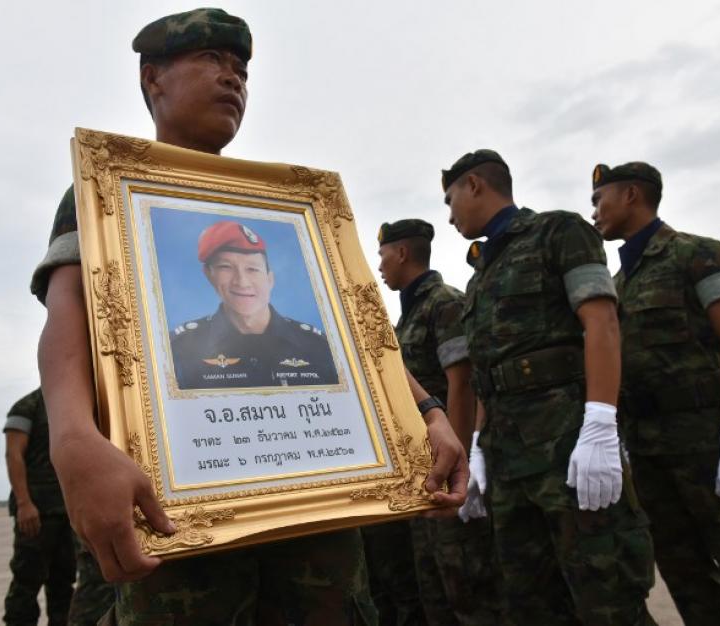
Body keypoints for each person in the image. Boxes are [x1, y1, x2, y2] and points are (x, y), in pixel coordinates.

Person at [30, 9, 467, 624]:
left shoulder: (285, 207)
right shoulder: (106, 191)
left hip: (318, 520)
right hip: (184, 524)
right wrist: (73, 440)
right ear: (153, 79)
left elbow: (352, 335)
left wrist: (426, 411)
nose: (232, 78)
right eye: (210, 61)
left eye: (240, 70)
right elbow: (67, 321)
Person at [447, 150, 655, 625]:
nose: (451, 213)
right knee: (530, 600)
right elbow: (488, 372)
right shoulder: (480, 276)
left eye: (451, 198)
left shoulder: (558, 232)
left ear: (475, 185)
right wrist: (478, 445)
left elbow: (601, 321)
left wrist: (601, 422)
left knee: (607, 596)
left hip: (566, 448)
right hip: (507, 457)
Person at [590, 161, 720, 624]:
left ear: (633, 195)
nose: (595, 211)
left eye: (601, 199)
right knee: (686, 578)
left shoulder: (699, 255)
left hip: (709, 442)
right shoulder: (616, 286)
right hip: (652, 451)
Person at [371, 218, 502, 625]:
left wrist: (464, 460)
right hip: (425, 470)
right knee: (432, 592)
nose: (379, 265)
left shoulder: (443, 303)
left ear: (402, 253)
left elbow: (463, 383)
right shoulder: (405, 315)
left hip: (450, 466)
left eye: (382, 254)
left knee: (468, 588)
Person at [169, 219, 339, 389]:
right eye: (226, 267)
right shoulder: (179, 350)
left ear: (270, 279)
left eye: (252, 269)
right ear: (209, 275)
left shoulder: (319, 347)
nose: (242, 282)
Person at [3, 388, 75, 626]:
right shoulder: (27, 406)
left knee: (63, 582)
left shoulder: (72, 406)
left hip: (68, 513)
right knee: (26, 582)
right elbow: (14, 455)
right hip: (37, 513)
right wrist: (24, 503)